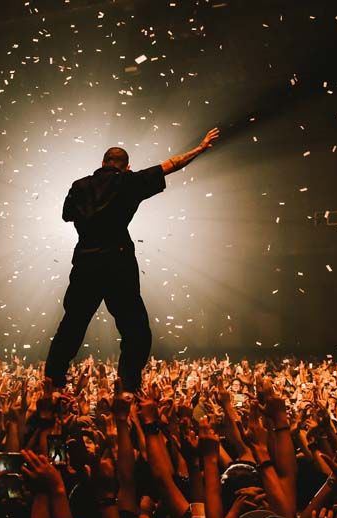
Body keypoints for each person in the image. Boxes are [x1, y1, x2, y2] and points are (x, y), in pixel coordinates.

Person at [44, 127, 221, 392]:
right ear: (127, 166)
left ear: (102, 163)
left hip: (86, 264)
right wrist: (200, 147)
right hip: (119, 265)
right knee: (135, 329)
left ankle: (52, 384)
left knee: (72, 326)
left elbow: (66, 215)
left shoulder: (79, 186)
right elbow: (171, 165)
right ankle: (127, 386)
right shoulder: (130, 181)